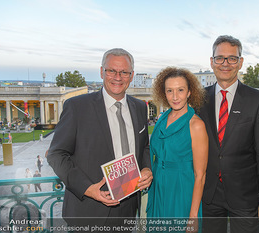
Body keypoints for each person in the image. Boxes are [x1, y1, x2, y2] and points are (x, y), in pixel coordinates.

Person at [47, 48, 152, 231]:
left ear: (131, 75)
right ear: (101, 71)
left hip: (128, 209)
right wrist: (88, 189)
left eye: (124, 72)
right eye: (111, 70)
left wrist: (146, 168)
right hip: (88, 210)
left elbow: (144, 147)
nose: (117, 77)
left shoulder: (139, 107)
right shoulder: (77, 107)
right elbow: (56, 155)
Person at [198, 35, 259, 233]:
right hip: (208, 194)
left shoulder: (256, 99)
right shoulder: (198, 99)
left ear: (240, 62)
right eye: (220, 58)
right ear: (211, 61)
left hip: (245, 195)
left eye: (232, 58)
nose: (225, 64)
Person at [146, 67, 208, 223]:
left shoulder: (196, 125)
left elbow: (200, 175)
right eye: (169, 91)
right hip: (159, 186)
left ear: (189, 92)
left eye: (180, 90)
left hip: (181, 189)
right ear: (163, 93)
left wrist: (193, 216)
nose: (175, 97)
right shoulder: (163, 117)